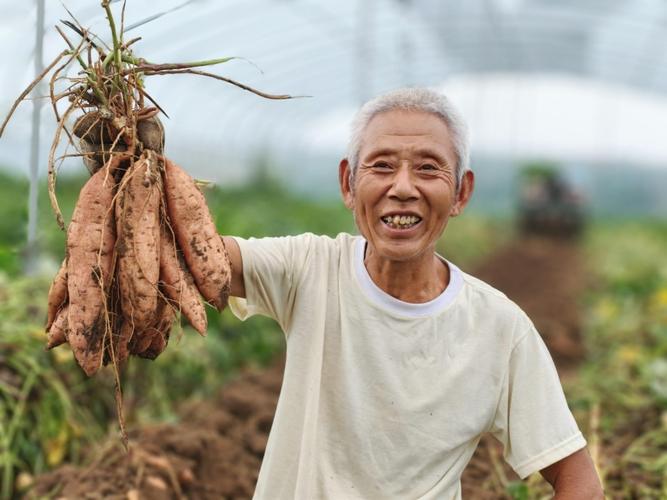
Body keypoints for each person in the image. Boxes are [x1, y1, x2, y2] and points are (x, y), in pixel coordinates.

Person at [221, 88, 604, 499]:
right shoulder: (310, 269)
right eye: (382, 166)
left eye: (427, 169)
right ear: (348, 184)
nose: (403, 187)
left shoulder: (499, 328)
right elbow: (200, 255)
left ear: (461, 193)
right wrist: (146, 170)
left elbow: (578, 479)